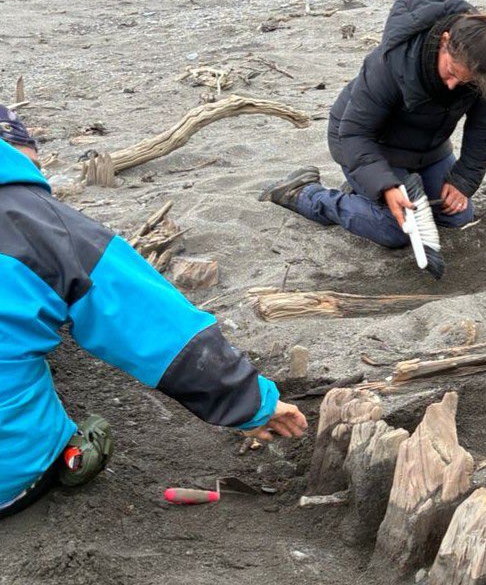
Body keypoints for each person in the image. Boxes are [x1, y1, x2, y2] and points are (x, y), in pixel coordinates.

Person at [0, 106, 307, 519]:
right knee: (82, 433)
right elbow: (159, 328)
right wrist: (251, 402)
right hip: (8, 479)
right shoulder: (33, 219)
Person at [259, 0, 486, 253]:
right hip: (364, 142)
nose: (452, 85)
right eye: (450, 71)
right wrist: (386, 187)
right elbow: (355, 133)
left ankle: (361, 190)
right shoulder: (393, 62)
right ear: (444, 41)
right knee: (395, 230)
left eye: (463, 80)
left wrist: (462, 181)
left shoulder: (484, 68)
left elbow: (482, 131)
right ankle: (304, 194)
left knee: (457, 216)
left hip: (428, 151)